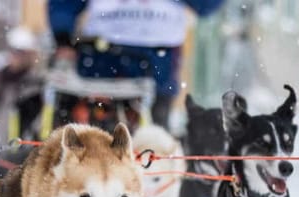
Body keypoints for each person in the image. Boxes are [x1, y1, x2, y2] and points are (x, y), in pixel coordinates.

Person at [47, 0, 224, 129]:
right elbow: (63, 4)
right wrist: (62, 38)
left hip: (158, 62)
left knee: (153, 141)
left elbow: (207, 6)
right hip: (101, 61)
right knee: (84, 133)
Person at [0, 27, 44, 140]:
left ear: (29, 55)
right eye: (13, 51)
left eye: (20, 52)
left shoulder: (35, 85)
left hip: (21, 148)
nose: (15, 56)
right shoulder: (1, 78)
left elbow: (37, 124)